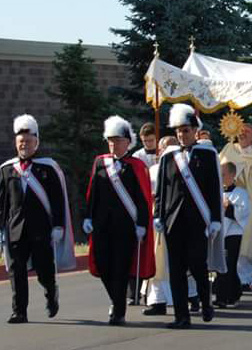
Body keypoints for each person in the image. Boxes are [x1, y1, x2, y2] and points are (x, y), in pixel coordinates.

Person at [0, 114, 74, 324]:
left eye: (28, 141)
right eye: (21, 142)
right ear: (16, 143)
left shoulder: (47, 167)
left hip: (41, 229)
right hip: (15, 229)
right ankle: (19, 311)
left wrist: (58, 226)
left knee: (44, 269)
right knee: (16, 272)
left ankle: (51, 292)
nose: (24, 145)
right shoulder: (7, 169)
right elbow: (1, 203)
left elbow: (58, 199)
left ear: (36, 142)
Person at [154, 104, 223, 329]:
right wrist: (158, 215)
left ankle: (206, 303)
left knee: (197, 266)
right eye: (178, 131)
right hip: (174, 221)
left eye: (186, 130)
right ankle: (181, 316)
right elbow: (162, 190)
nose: (182, 135)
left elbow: (214, 188)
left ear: (195, 130)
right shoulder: (168, 157)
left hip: (198, 221)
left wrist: (214, 219)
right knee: (176, 270)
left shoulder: (208, 154)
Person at [83, 116, 154, 325]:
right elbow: (92, 192)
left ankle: (119, 311)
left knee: (121, 268)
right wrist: (88, 216)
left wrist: (141, 224)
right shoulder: (100, 162)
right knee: (103, 266)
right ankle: (116, 299)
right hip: (102, 225)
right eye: (110, 140)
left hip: (126, 227)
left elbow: (143, 198)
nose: (113, 144)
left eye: (118, 140)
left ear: (128, 142)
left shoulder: (136, 166)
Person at [142, 136, 201, 317]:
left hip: (179, 218)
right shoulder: (152, 170)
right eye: (164, 147)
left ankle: (192, 297)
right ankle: (158, 301)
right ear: (159, 151)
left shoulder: (189, 168)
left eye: (171, 147)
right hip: (158, 217)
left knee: (182, 261)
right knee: (158, 262)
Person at [218, 123, 252, 292]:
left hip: (250, 203)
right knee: (227, 242)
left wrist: (241, 168)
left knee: (247, 242)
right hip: (228, 198)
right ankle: (225, 279)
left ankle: (245, 279)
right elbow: (222, 170)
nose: (243, 134)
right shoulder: (229, 149)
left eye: (247, 132)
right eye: (240, 130)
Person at [214, 162, 249, 308]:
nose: (221, 177)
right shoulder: (216, 192)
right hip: (219, 234)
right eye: (219, 174)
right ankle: (231, 293)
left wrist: (230, 208)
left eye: (223, 174)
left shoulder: (240, 193)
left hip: (233, 234)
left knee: (229, 265)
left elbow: (243, 213)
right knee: (220, 266)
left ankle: (225, 296)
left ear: (232, 175)